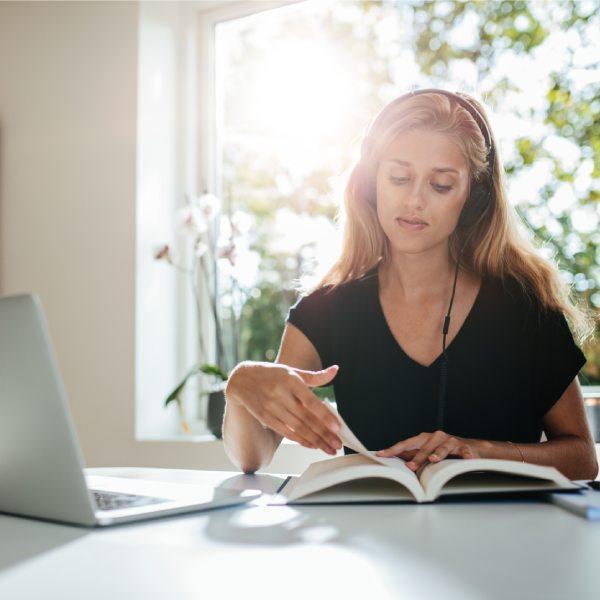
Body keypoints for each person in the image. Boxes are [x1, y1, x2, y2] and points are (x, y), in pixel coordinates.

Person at [222, 89, 598, 480]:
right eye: (399, 177)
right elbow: (253, 457)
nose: (415, 200)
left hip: (506, 537)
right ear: (373, 183)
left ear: (474, 196)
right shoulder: (327, 308)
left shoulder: (523, 306)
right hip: (373, 537)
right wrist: (242, 384)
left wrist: (482, 451)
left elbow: (582, 459)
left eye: (441, 185)